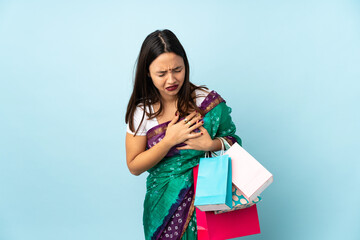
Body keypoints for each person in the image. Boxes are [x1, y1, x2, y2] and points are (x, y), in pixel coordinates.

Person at [125, 29, 242, 240]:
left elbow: (235, 143)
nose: (171, 79)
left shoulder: (206, 101)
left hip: (208, 197)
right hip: (163, 205)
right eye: (161, 74)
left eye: (178, 70)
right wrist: (169, 140)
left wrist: (210, 145)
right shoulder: (142, 112)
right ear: (147, 73)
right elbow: (134, 166)